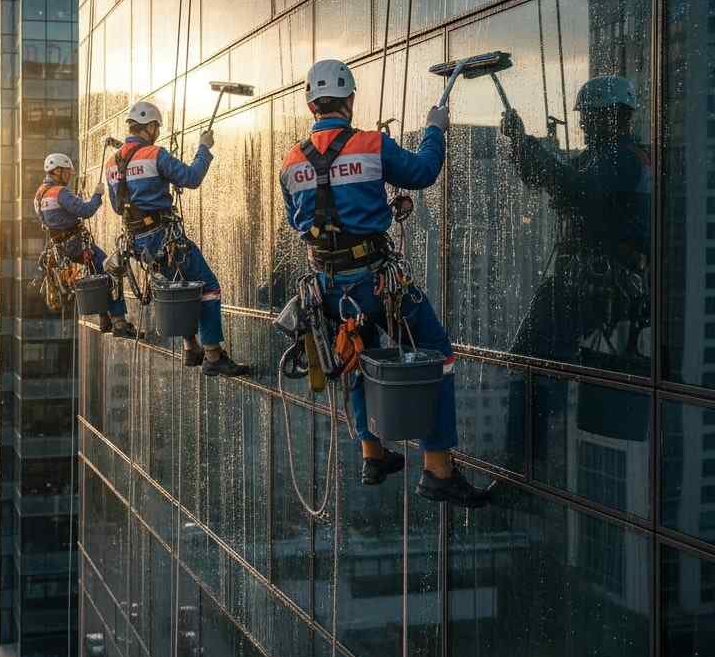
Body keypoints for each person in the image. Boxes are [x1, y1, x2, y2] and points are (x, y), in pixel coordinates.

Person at [279, 59, 491, 507]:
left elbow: (300, 221)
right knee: (436, 352)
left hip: (326, 288)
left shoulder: (291, 161)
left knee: (358, 356)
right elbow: (422, 172)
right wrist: (435, 129)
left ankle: (372, 455)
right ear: (350, 100)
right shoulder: (371, 144)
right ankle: (438, 469)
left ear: (311, 105)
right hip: (375, 281)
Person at [500, 74, 651, 369]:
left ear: (612, 116)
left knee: (533, 352)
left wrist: (525, 142)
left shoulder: (623, 158)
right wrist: (520, 144)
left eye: (588, 116)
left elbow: (576, 188)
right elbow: (550, 178)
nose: (582, 124)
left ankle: (535, 393)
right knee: (540, 351)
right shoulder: (601, 156)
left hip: (603, 279)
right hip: (594, 278)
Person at [105, 101, 250, 377]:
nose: (157, 133)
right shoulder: (154, 154)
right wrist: (204, 147)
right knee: (208, 286)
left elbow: (116, 206)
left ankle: (190, 346)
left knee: (180, 284)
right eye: (156, 128)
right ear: (149, 127)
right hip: (162, 236)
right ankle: (212, 354)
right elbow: (192, 178)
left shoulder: (113, 162)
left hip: (137, 241)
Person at [35, 152, 135, 337]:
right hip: (76, 244)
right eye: (66, 172)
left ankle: (104, 319)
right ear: (56, 171)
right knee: (111, 270)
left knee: (96, 273)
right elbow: (86, 210)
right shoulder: (60, 192)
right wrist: (97, 195)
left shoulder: (40, 194)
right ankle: (119, 322)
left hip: (61, 248)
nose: (68, 176)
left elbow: (51, 220)